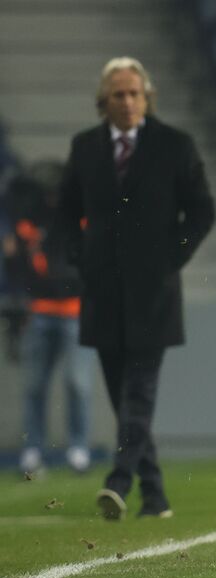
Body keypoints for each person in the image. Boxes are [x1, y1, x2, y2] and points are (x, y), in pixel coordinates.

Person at [58, 57, 215, 519]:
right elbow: (66, 212)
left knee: (138, 395)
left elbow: (203, 211)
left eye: (134, 94)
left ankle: (119, 480)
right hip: (102, 292)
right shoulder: (84, 147)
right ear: (102, 103)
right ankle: (156, 495)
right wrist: (78, 257)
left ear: (147, 98)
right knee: (122, 399)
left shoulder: (175, 145)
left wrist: (173, 257)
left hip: (154, 294)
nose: (127, 102)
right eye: (117, 95)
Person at [7, 160, 95, 475]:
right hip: (40, 310)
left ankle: (78, 448)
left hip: (74, 310)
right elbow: (17, 261)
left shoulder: (81, 217)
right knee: (34, 385)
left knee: (77, 383)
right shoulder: (30, 217)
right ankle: (33, 451)